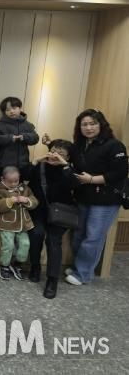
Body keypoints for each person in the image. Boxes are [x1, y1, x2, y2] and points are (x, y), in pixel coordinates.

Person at [65, 109, 128, 286]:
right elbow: (73, 165)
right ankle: (78, 267)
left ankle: (83, 274)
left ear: (101, 125)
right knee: (78, 234)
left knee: (93, 237)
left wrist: (92, 180)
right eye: (84, 124)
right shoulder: (79, 145)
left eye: (93, 124)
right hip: (83, 196)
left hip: (105, 200)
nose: (89, 128)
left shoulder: (114, 145)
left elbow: (120, 173)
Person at [27, 139, 78, 298]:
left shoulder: (69, 170)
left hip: (60, 213)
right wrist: (35, 161)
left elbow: (74, 185)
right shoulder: (41, 166)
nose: (56, 155)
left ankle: (52, 280)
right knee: (36, 234)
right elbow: (24, 178)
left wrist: (65, 166)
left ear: (68, 157)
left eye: (61, 154)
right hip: (39, 211)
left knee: (53, 240)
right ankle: (35, 267)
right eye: (54, 151)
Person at [0, 166, 38, 281]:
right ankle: (4, 266)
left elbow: (35, 201)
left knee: (25, 244)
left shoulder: (25, 188)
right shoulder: (0, 190)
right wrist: (9, 201)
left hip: (23, 225)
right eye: (10, 181)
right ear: (2, 179)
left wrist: (27, 200)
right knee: (8, 245)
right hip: (7, 224)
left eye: (16, 181)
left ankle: (17, 264)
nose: (13, 184)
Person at [0, 97, 39, 181]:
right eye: (8, 110)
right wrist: (10, 138)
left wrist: (24, 137)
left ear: (20, 108)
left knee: (20, 187)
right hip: (4, 165)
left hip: (22, 164)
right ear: (4, 112)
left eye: (14, 108)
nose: (11, 111)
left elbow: (35, 138)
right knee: (2, 187)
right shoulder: (0, 124)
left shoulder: (27, 124)